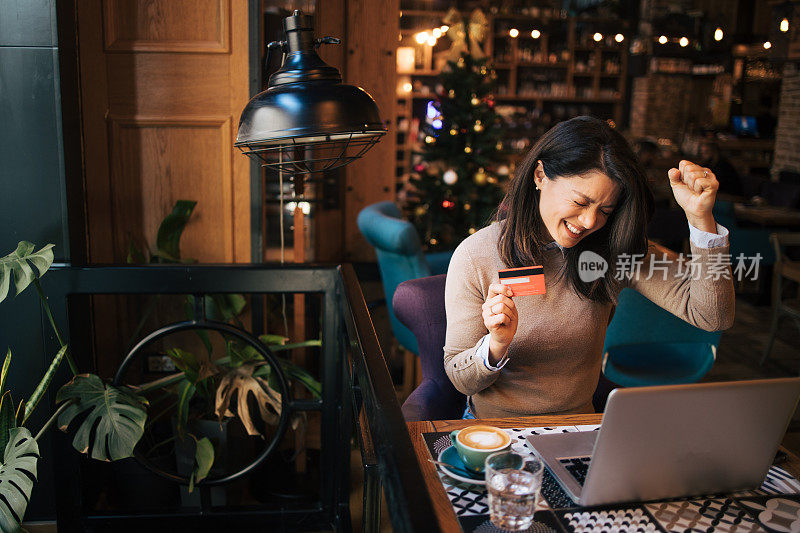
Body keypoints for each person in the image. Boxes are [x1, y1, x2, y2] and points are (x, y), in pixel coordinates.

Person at [444, 116, 735, 418]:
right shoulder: (475, 255)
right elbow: (460, 379)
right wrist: (496, 344)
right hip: (498, 434)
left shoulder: (610, 250)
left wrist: (702, 221)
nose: (589, 222)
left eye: (605, 211)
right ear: (540, 175)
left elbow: (712, 314)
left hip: (579, 428)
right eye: (581, 202)